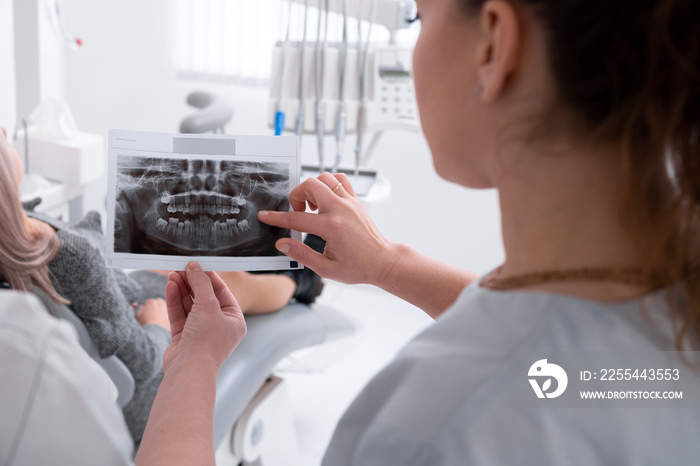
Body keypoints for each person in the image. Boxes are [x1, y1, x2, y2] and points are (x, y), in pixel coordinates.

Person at [255, 0, 700, 464]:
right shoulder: (668, 307)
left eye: (420, 17)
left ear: (492, 43)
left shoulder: (434, 431)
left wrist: (195, 376)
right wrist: (388, 264)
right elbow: (590, 374)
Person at [0, 126, 323, 444]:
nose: (4, 129)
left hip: (129, 301)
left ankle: (282, 261)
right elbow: (138, 365)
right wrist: (156, 326)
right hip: (146, 389)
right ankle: (301, 280)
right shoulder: (69, 254)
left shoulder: (14, 238)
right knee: (224, 282)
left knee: (180, 263)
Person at [0, 262, 246, 466]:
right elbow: (143, 362)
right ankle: (286, 285)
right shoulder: (27, 339)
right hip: (137, 381)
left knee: (175, 275)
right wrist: (199, 355)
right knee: (229, 281)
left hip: (130, 331)